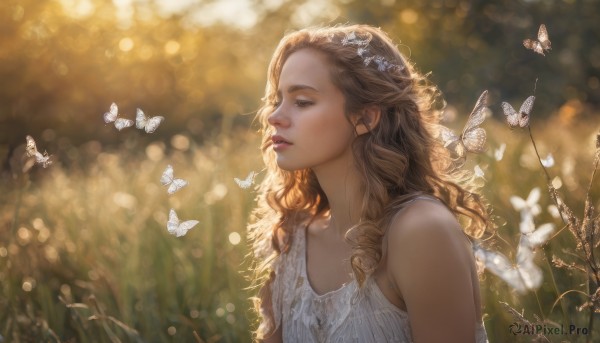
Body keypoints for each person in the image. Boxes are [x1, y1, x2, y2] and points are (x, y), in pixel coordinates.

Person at [247, 24, 490, 343]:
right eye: (277, 99)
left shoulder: (422, 231)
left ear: (365, 118)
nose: (274, 116)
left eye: (302, 101)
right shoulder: (292, 236)